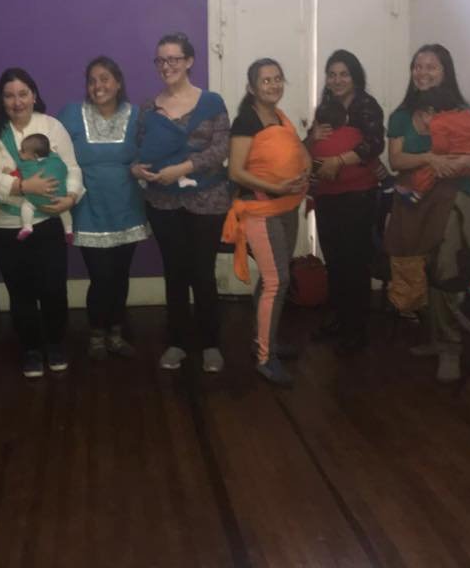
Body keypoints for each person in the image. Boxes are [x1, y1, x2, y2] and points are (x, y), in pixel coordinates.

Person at [385, 44, 470, 382]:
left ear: (445, 72)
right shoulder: (402, 115)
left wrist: (462, 161)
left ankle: (450, 346)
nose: (422, 72)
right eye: (417, 66)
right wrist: (430, 159)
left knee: (447, 270)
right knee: (420, 267)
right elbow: (396, 161)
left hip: (452, 198)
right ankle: (435, 338)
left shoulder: (463, 113)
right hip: (413, 199)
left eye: (431, 66)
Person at [133, 33, 230, 373]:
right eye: (161, 60)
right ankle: (176, 341)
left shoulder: (212, 102)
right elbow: (140, 149)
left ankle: (210, 343)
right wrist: (137, 168)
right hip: (163, 202)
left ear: (189, 61)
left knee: (202, 272)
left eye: (174, 59)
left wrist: (183, 168)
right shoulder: (149, 108)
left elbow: (221, 148)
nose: (167, 66)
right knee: (174, 272)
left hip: (208, 200)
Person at [0, 68, 82, 378]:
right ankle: (31, 349)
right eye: (9, 95)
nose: (17, 101)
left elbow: (72, 167)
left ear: (34, 95)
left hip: (49, 220)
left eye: (23, 94)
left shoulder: (52, 126)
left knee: (53, 287)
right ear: (1, 100)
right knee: (20, 290)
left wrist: (71, 197)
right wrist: (22, 187)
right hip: (3, 225)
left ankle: (55, 343)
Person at [222, 59, 310, 386]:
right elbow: (236, 172)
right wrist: (277, 187)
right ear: (252, 88)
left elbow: (296, 154)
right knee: (277, 281)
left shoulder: (281, 117)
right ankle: (264, 357)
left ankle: (265, 339)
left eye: (277, 79)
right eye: (265, 80)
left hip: (286, 206)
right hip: (260, 208)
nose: (273, 85)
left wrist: (302, 174)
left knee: (274, 278)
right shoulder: (246, 120)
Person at [58, 56, 150, 359]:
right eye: (92, 80)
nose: (98, 86)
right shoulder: (72, 114)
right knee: (100, 277)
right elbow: (55, 153)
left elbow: (151, 151)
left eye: (105, 79)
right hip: (89, 208)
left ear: (118, 83)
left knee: (120, 275)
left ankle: (116, 333)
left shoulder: (137, 116)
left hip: (127, 207)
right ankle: (97, 334)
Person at [306, 50, 386, 352]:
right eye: (332, 74)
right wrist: (312, 136)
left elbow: (374, 144)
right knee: (335, 261)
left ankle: (357, 329)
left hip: (358, 195)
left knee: (355, 262)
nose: (337, 80)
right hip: (327, 195)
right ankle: (340, 319)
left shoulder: (366, 106)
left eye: (344, 74)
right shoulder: (325, 108)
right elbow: (308, 146)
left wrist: (338, 161)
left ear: (355, 77)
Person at [394, 88, 470, 203]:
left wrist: (434, 155)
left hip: (456, 157)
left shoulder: (437, 122)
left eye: (420, 116)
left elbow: (441, 147)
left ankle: (416, 194)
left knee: (428, 172)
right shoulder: (468, 115)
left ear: (429, 111)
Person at [11, 133, 72, 242]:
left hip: (37, 201)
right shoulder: (56, 161)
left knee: (26, 206)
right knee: (65, 210)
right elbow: (65, 170)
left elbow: (18, 177)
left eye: (23, 151)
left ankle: (27, 226)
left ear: (34, 156)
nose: (19, 152)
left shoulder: (26, 166)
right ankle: (68, 230)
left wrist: (9, 172)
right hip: (58, 197)